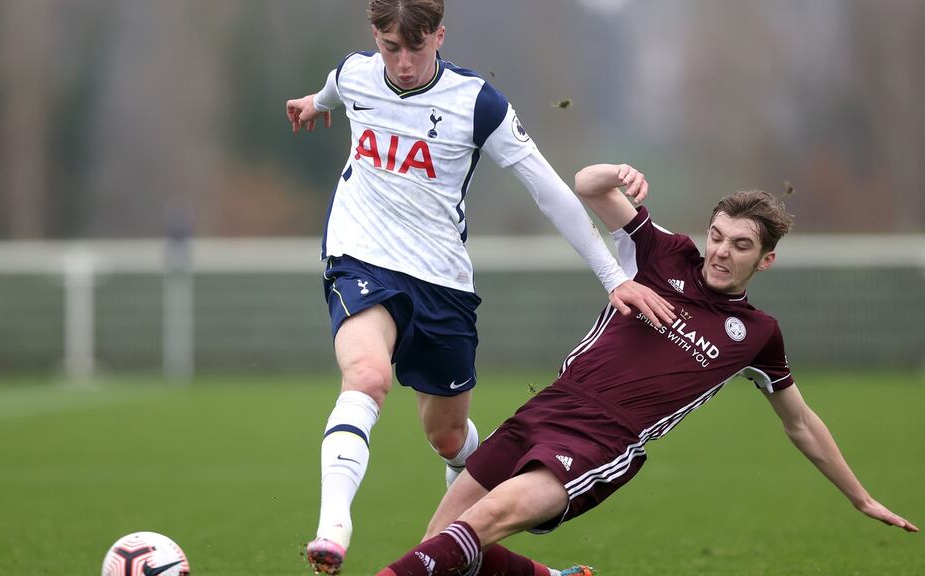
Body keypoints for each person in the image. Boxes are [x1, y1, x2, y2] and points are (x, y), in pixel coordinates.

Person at [375, 163, 919, 576]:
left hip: (604, 441)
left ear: (766, 259)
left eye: (741, 245)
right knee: (443, 538)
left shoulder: (757, 334)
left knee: (482, 523)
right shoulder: (666, 253)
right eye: (718, 235)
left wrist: (859, 496)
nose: (722, 252)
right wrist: (619, 173)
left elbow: (800, 422)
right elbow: (587, 186)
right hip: (549, 405)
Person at [284, 2, 676, 573]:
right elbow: (333, 90)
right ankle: (333, 528)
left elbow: (548, 191)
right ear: (376, 37)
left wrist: (613, 276)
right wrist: (312, 104)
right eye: (392, 48)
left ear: (440, 34)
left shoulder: (477, 103)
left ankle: (479, 479)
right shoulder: (356, 72)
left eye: (417, 49)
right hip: (361, 259)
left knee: (446, 436)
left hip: (442, 284)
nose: (404, 63)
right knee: (367, 376)